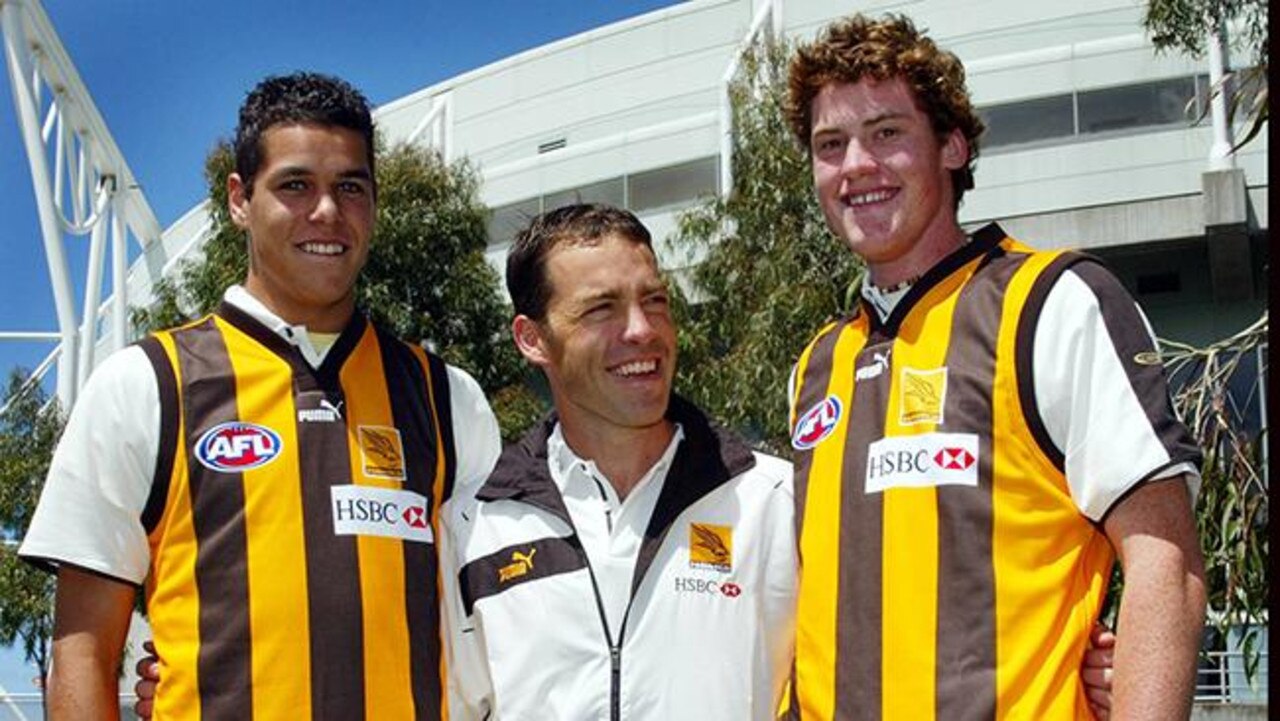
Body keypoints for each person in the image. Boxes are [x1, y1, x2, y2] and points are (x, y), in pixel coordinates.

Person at [19, 71, 501, 720]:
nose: (327, 212)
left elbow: (503, 627)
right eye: (295, 185)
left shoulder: (449, 399)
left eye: (350, 187)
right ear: (240, 199)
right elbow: (83, 653)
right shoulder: (145, 384)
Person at [783, 14, 1206, 720]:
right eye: (831, 144)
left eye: (887, 132)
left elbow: (1169, 564)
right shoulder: (817, 363)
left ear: (952, 145)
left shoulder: (1053, 302)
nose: (856, 164)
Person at [439, 203, 798, 719]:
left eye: (654, 301)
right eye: (601, 309)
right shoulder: (475, 525)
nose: (641, 330)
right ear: (532, 339)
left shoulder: (772, 502)